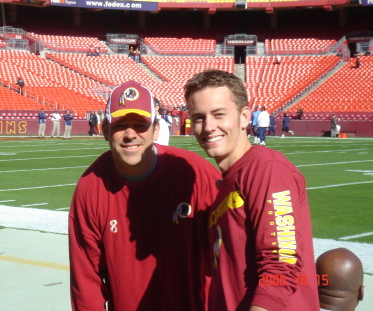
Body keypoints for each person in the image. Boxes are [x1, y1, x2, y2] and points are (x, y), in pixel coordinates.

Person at [68, 80, 221, 311]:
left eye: (140, 124)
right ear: (105, 130)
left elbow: (232, 253)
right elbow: (86, 282)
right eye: (121, 125)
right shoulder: (90, 187)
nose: (130, 134)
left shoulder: (196, 173)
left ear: (156, 130)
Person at [184, 69, 320, 311]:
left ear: (245, 117)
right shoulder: (226, 182)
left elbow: (281, 263)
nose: (208, 127)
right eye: (199, 118)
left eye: (219, 115)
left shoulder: (266, 168)